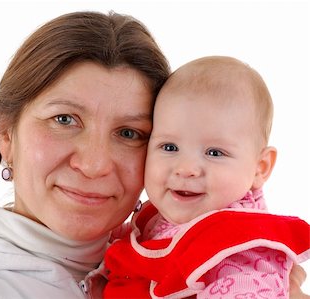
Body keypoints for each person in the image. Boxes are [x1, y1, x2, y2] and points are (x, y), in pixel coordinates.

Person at [0, 13, 308, 298]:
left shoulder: (216, 262)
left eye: (129, 132)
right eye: (64, 119)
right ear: (7, 136)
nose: (93, 164)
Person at [103, 56, 310, 298]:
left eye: (214, 153)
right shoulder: (161, 216)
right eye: (169, 147)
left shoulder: (241, 247)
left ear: (260, 168)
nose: (186, 168)